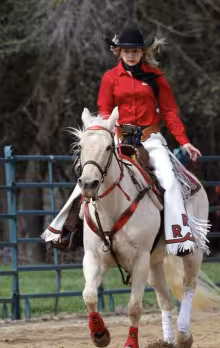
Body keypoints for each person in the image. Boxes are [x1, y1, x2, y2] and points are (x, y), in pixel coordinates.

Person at [42, 28, 203, 255]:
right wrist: (107, 131)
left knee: (170, 182)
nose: (131, 55)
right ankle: (64, 231)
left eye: (135, 51)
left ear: (142, 52)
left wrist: (184, 141)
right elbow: (105, 110)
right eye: (126, 51)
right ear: (119, 52)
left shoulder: (156, 78)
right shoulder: (110, 78)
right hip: (118, 138)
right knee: (89, 176)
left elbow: (169, 112)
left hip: (150, 139)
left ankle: (178, 237)